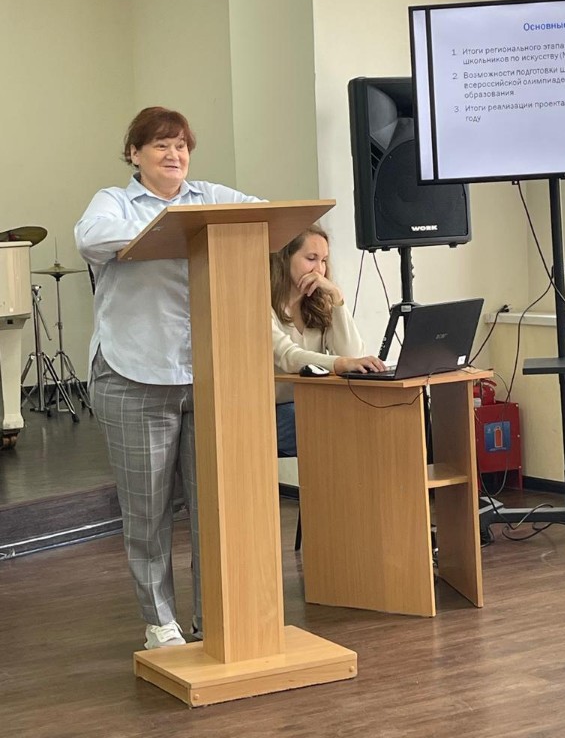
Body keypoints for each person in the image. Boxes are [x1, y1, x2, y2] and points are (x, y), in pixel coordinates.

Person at [74, 106, 264, 650]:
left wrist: (196, 219)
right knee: (148, 512)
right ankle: (161, 624)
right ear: (134, 154)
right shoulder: (113, 202)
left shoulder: (208, 195)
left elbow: (263, 214)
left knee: (213, 508)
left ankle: (213, 616)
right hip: (133, 374)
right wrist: (174, 225)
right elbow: (91, 238)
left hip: (207, 375)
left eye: (181, 146)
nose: (174, 155)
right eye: (161, 145)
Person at [271, 224, 385, 457]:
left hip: (315, 402)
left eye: (323, 261)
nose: (319, 270)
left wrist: (337, 299)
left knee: (375, 416)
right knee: (339, 430)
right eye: (311, 259)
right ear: (285, 259)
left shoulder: (319, 304)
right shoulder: (261, 304)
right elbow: (289, 357)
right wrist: (340, 363)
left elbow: (352, 355)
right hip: (275, 409)